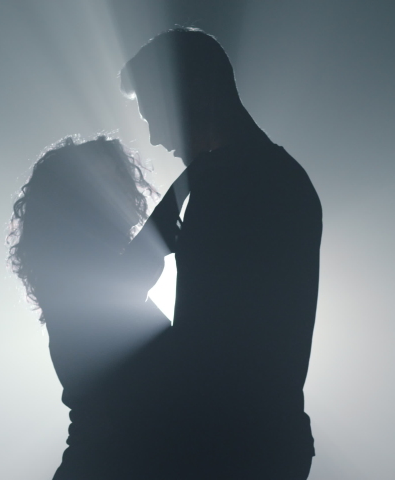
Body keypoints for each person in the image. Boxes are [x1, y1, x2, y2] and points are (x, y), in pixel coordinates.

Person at [120, 28, 323, 479]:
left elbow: (209, 346)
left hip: (228, 449)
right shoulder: (262, 178)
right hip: (261, 443)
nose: (154, 137)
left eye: (155, 114)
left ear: (195, 92)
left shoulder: (235, 186)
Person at [8, 135, 185, 479]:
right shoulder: (72, 284)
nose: (119, 197)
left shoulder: (83, 281)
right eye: (103, 186)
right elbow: (126, 278)